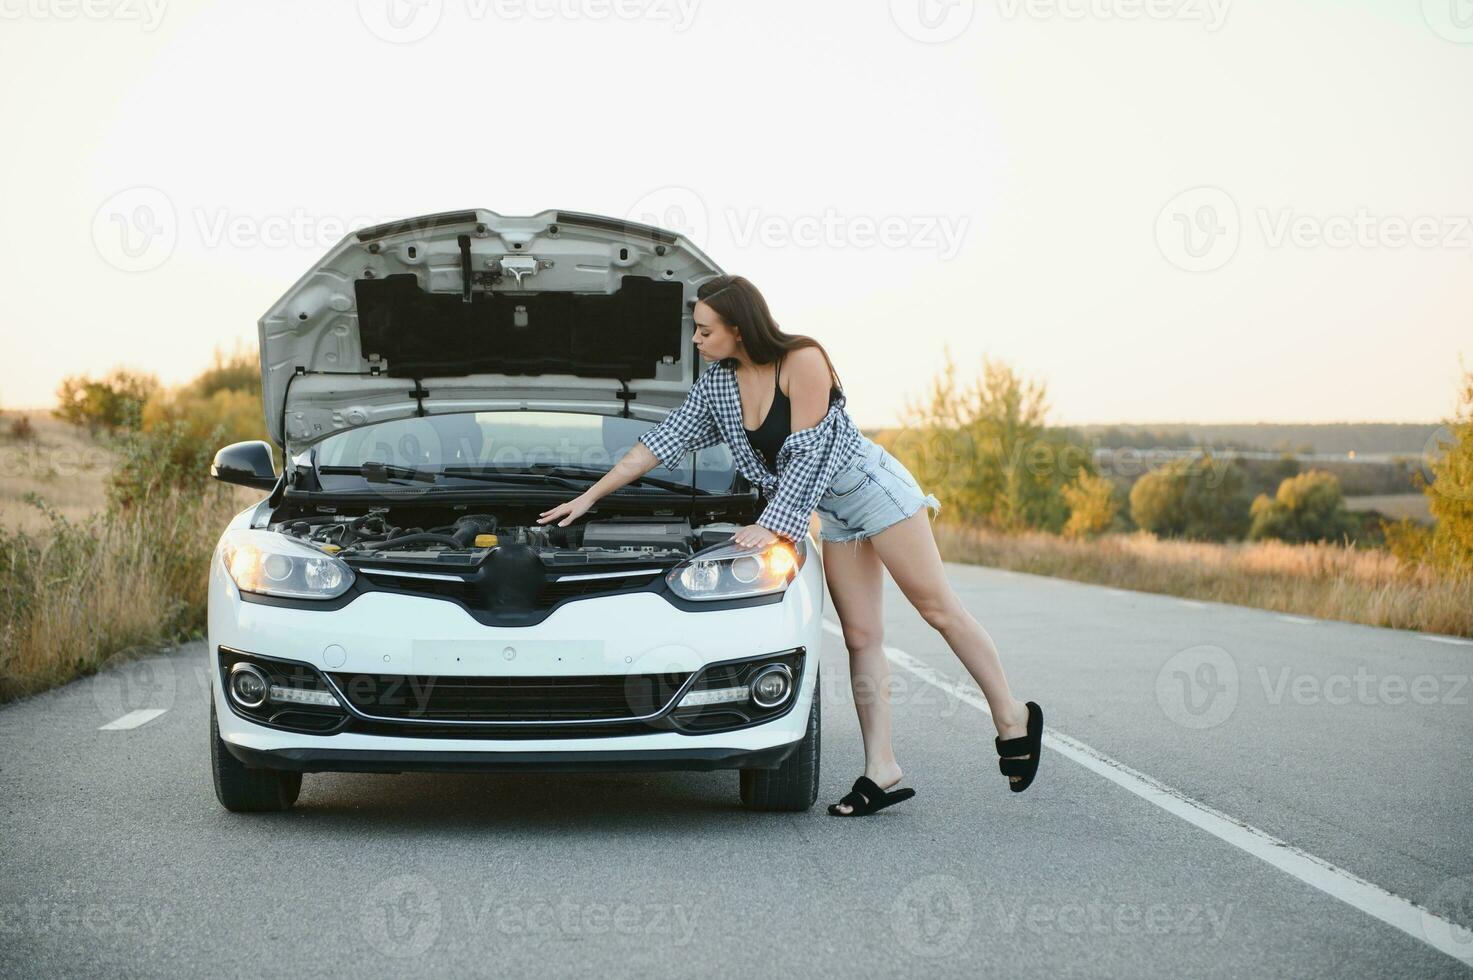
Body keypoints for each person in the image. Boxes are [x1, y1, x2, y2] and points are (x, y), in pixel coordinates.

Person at [537, 275, 1043, 815]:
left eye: (705, 330)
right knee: (861, 636)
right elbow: (661, 442)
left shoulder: (803, 361)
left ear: (737, 325)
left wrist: (775, 527)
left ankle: (1012, 717)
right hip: (829, 511)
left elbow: (807, 455)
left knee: (938, 609)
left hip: (872, 492)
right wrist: (589, 497)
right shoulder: (718, 384)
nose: (696, 340)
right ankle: (883, 769)